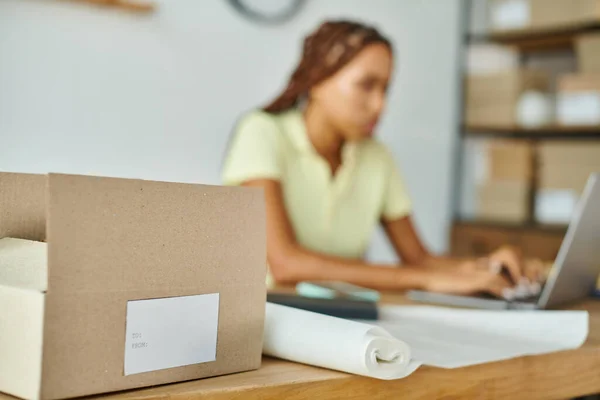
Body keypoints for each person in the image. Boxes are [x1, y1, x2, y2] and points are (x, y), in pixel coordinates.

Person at [222, 20, 543, 297]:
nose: (380, 106)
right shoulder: (262, 132)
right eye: (366, 85)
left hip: (344, 315)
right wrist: (429, 280)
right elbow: (285, 264)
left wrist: (488, 266)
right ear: (317, 81)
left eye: (386, 89)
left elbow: (418, 258)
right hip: (263, 317)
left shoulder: (376, 156)